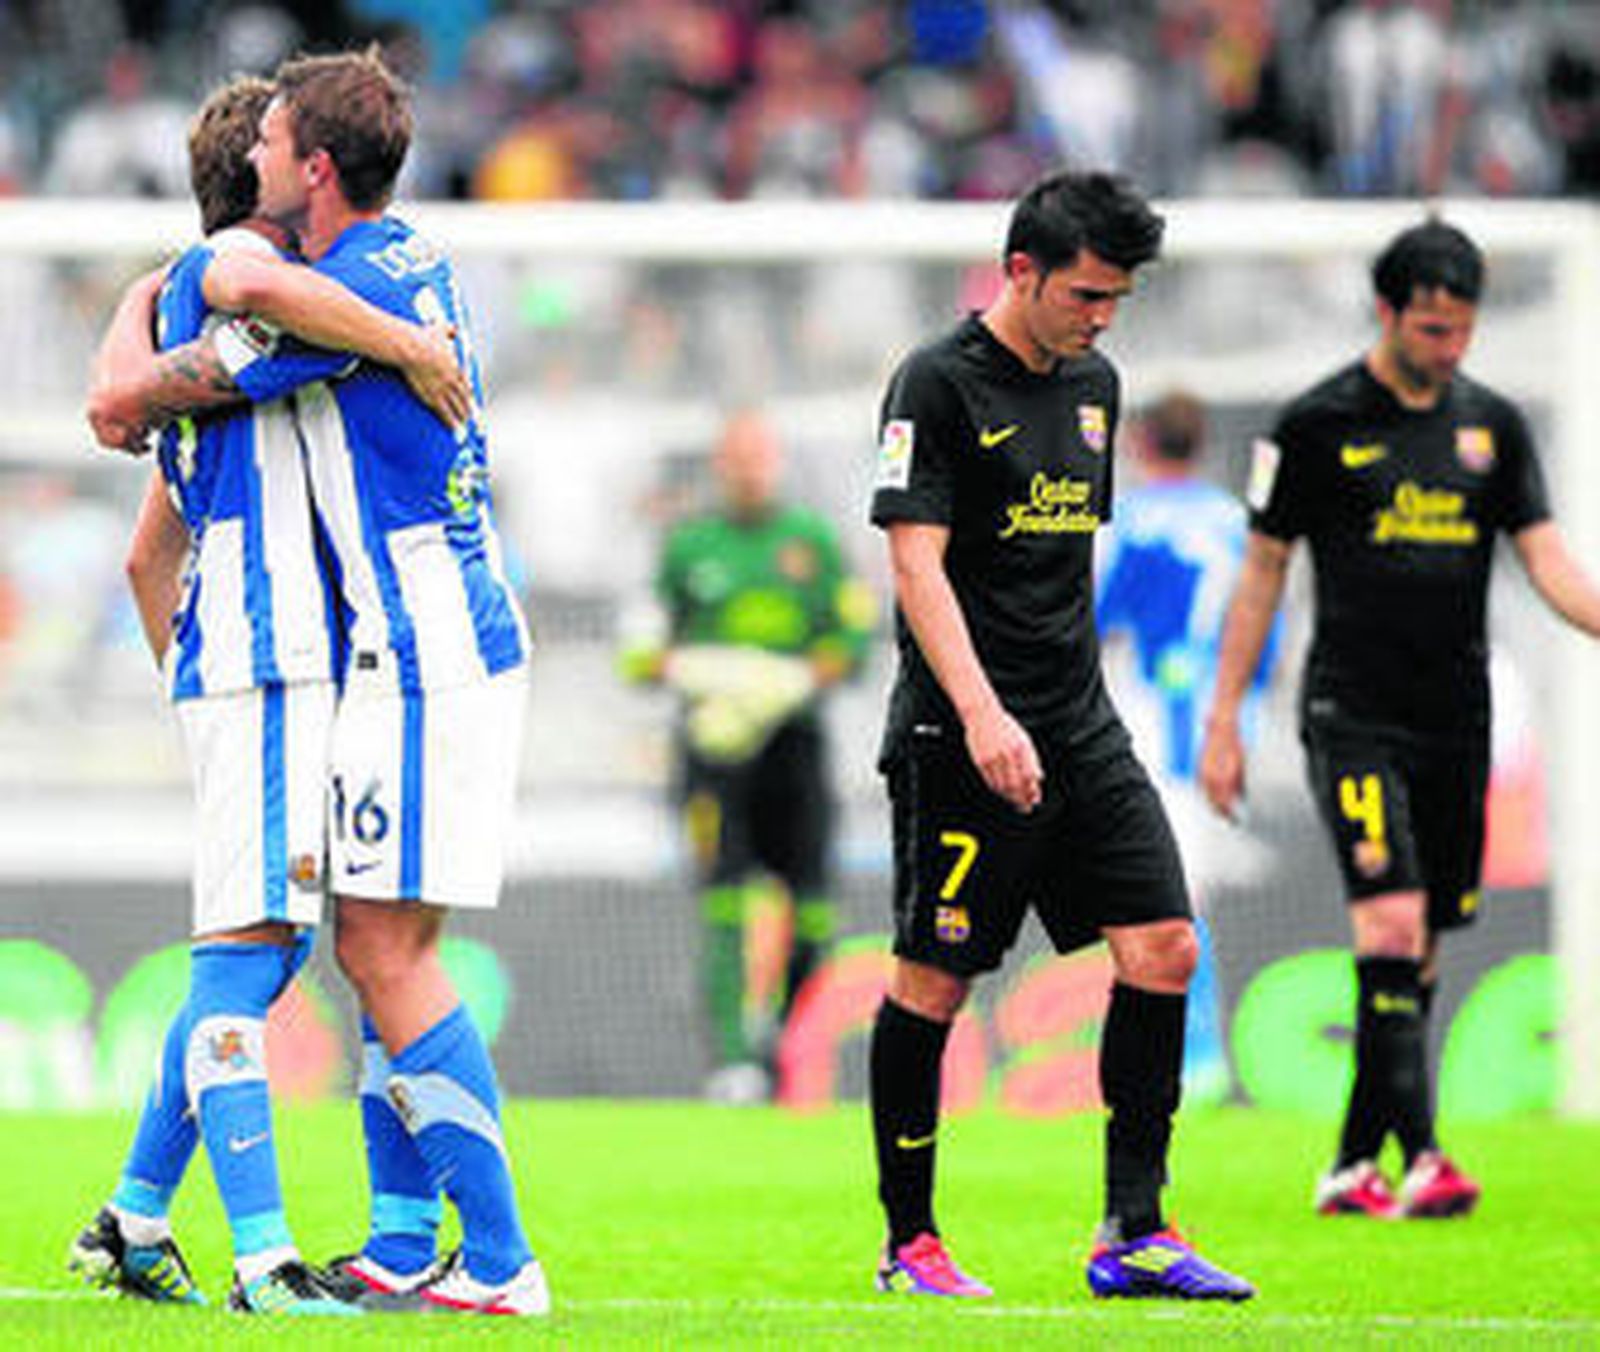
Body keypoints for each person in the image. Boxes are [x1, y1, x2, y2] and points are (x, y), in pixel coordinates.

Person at [86, 48, 547, 1316]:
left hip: (410, 650)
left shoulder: (313, 297)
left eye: (279, 140)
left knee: (362, 948)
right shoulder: (394, 270)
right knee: (347, 946)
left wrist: (130, 345)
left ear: (312, 167)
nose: (266, 159)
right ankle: (399, 1235)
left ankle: (500, 1259)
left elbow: (137, 401)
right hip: (400, 647)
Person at [867, 169, 1253, 1302]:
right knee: (932, 982)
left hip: (1079, 724)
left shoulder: (1096, 385)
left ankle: (1133, 1227)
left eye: (1116, 299)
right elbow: (912, 559)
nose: (1100, 316)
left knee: (1165, 946)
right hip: (959, 729)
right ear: (1020, 271)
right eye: (1086, 293)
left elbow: (1059, 572)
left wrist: (1050, 709)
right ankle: (910, 1241)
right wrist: (982, 712)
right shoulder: (933, 381)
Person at [1200, 218, 1600, 1220]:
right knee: (1388, 916)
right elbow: (1260, 576)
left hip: (1454, 716)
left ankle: (1350, 1162)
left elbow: (1545, 559)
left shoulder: (1492, 427)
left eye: (1460, 328)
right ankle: (1420, 1155)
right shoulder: (1314, 423)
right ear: (1386, 311)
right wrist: (1223, 718)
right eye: (1429, 327)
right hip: (1351, 711)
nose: (1447, 346)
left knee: (1417, 945)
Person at [620, 409, 874, 1103]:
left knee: (815, 908)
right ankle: (732, 1062)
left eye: (761, 456)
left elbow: (854, 640)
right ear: (719, 464)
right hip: (713, 754)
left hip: (794, 744)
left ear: (778, 461)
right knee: (724, 901)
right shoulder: (688, 545)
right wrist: (704, 675)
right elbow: (641, 652)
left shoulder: (811, 541)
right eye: (738, 457)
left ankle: (786, 1043)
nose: (750, 469)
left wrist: (785, 683)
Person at [1096, 389, 1282, 1106]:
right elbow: (1267, 625)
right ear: (1200, 445)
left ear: (1140, 444)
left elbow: (1093, 617)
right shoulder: (1239, 523)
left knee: (1161, 895)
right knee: (1178, 888)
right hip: (1229, 723)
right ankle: (1187, 1050)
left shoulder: (1131, 524)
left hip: (1154, 719)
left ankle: (1191, 1052)